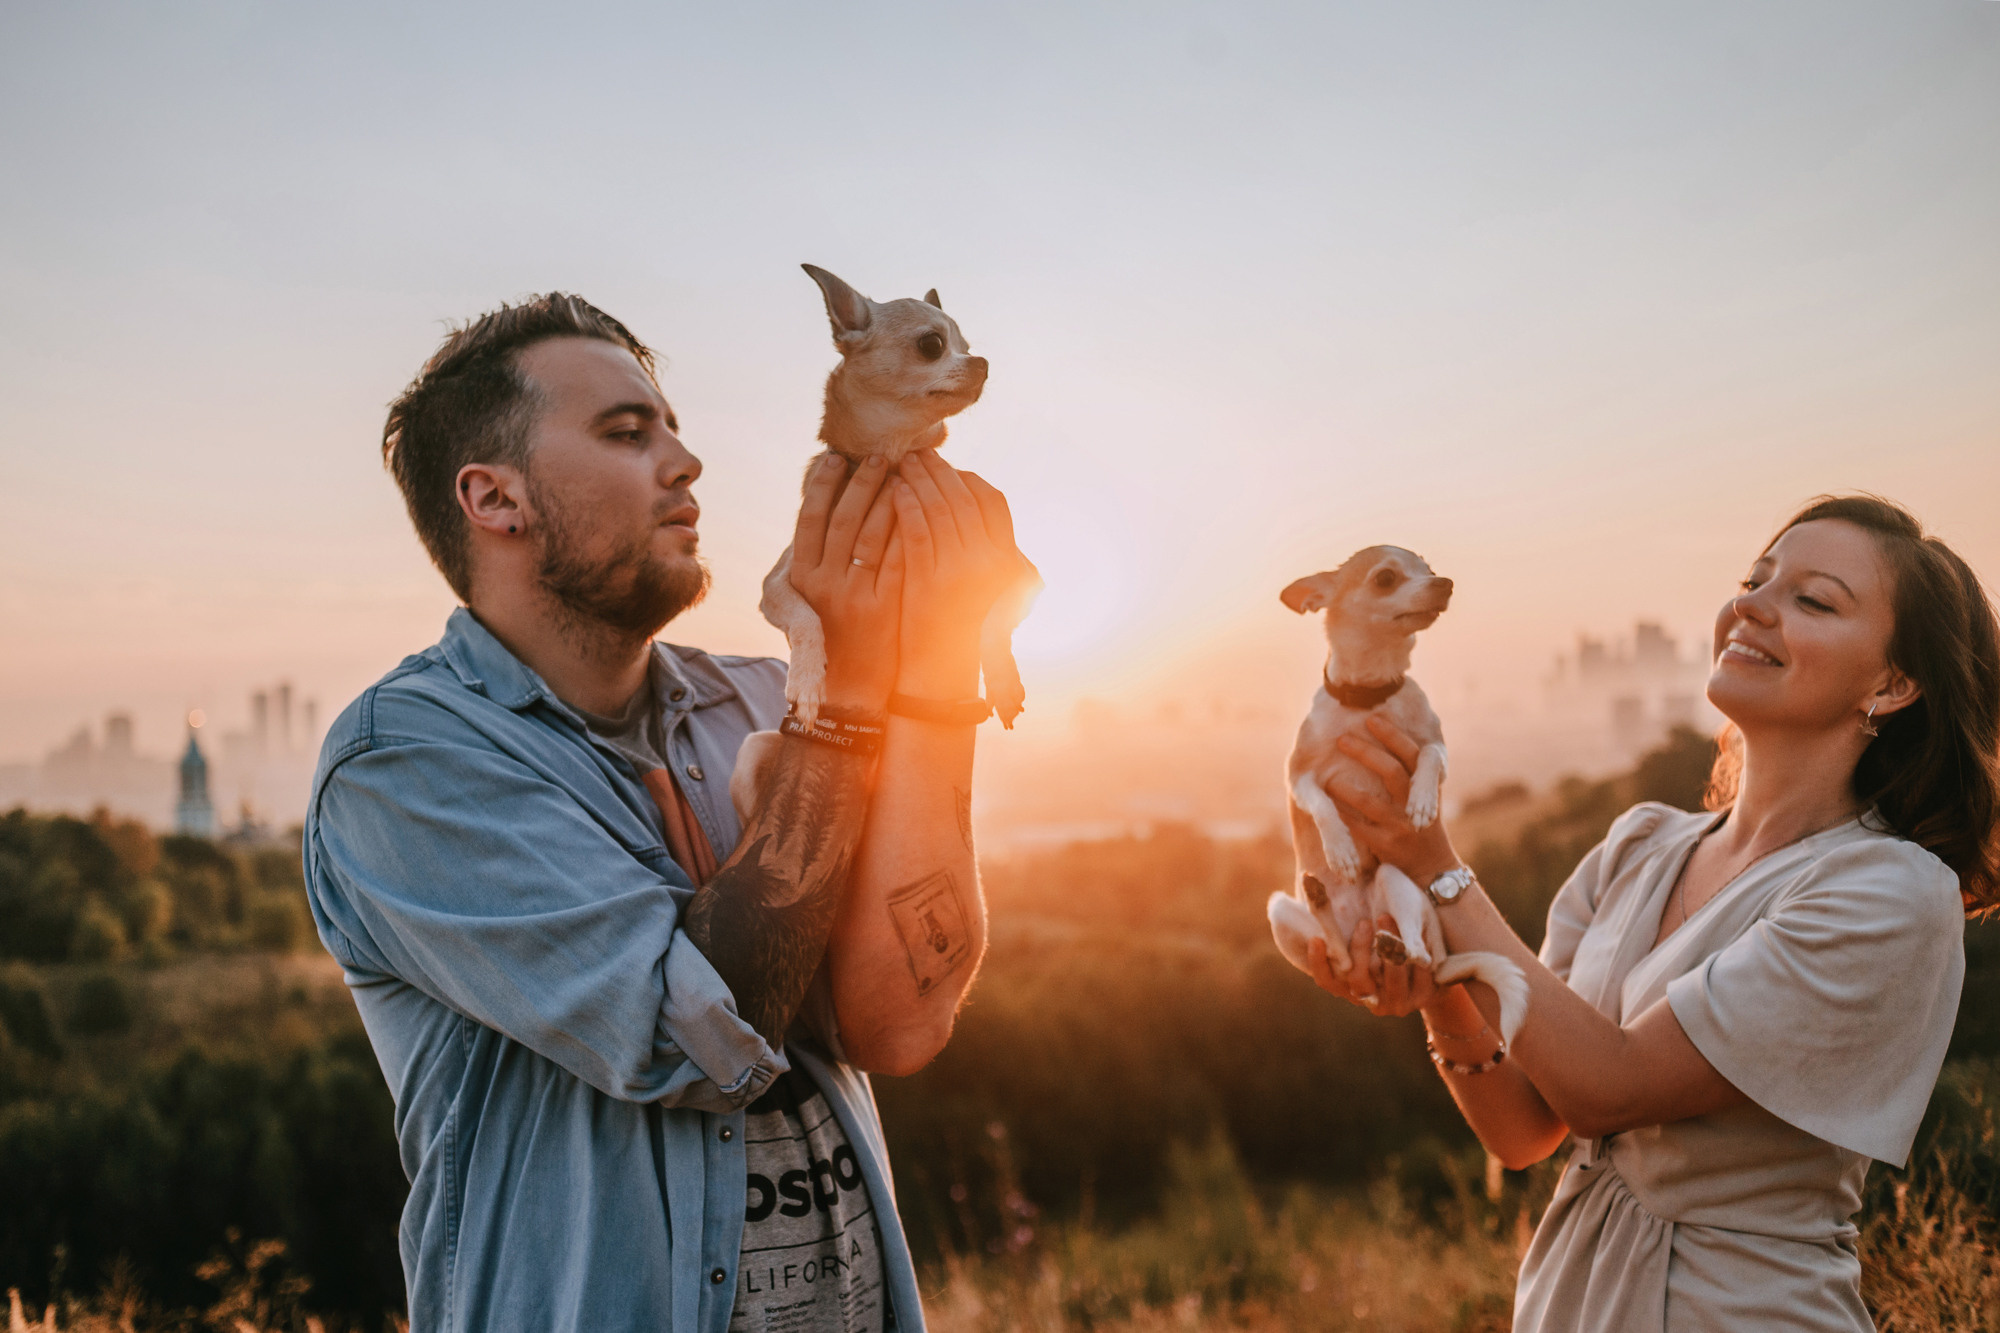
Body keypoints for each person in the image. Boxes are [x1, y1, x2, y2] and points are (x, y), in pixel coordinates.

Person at [302, 294, 1023, 1332]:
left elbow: (900, 1019)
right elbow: (696, 1042)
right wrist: (849, 698)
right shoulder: (405, 764)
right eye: (627, 433)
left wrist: (940, 661)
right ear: (495, 497)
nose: (685, 462)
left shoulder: (767, 700)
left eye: (673, 428)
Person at [1303, 495, 1998, 1331]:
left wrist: (1435, 867)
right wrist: (1438, 988)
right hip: (1567, 1301)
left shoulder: (1890, 891)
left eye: (1813, 600)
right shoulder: (1637, 847)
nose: (1751, 604)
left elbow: (1611, 1087)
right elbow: (1525, 1127)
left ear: (1894, 682)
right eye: (1754, 580)